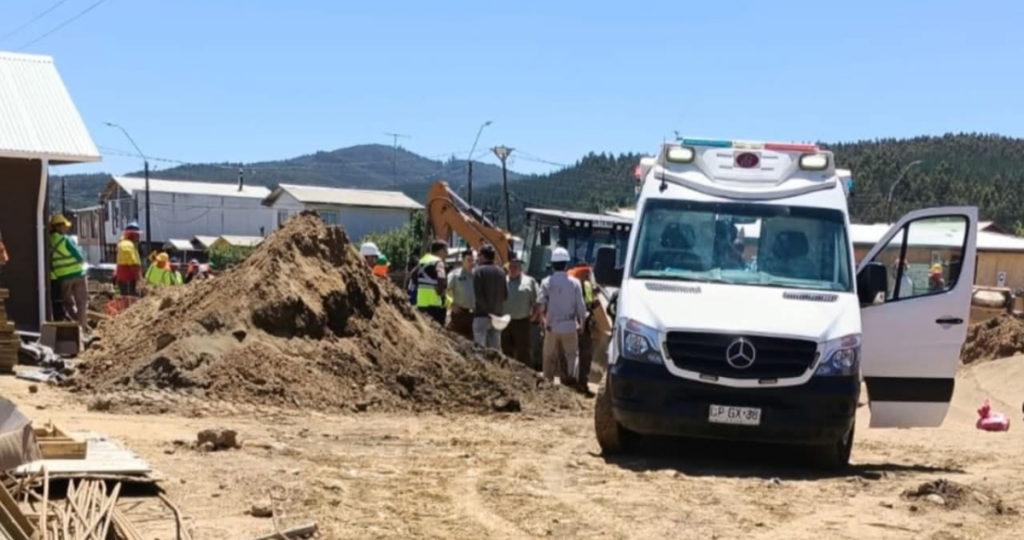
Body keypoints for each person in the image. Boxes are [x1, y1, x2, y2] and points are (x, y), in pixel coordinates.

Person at [538, 247, 587, 385]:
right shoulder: (575, 283)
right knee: (572, 355)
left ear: (552, 264)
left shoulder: (546, 282)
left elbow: (541, 305)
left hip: (552, 325)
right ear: (566, 264)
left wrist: (543, 321)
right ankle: (571, 381)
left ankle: (548, 382)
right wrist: (582, 323)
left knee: (548, 356)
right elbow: (581, 307)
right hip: (570, 326)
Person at [48, 214, 89, 335]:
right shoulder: (66, 239)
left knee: (68, 303)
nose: (66, 228)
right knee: (81, 302)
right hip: (77, 274)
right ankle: (81, 328)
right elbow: (79, 256)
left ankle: (76, 323)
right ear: (58, 227)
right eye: (64, 226)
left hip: (62, 278)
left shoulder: (49, 241)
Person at [568, 262, 598, 395]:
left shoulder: (586, 286)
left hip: (585, 326)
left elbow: (589, 304)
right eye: (585, 274)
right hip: (571, 324)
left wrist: (594, 304)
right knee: (570, 355)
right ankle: (570, 384)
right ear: (579, 273)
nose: (587, 276)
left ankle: (582, 384)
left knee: (585, 355)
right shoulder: (570, 285)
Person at [503, 256, 539, 368]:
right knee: (506, 350)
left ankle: (524, 376)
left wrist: (534, 315)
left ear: (520, 268)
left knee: (523, 352)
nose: (513, 269)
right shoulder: (503, 280)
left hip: (522, 323)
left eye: (515, 267)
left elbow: (537, 301)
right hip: (505, 322)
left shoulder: (529, 281)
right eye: (511, 267)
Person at [472, 244, 507, 349]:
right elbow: (505, 295)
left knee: (480, 350)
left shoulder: (478, 271)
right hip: (497, 317)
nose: (478, 258)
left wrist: (487, 312)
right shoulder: (501, 272)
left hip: (482, 316)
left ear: (482, 256)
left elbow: (479, 295)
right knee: (495, 351)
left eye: (479, 255)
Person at [414, 240, 449, 326]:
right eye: (445, 251)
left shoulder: (423, 260)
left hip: (421, 303)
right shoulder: (438, 261)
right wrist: (440, 291)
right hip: (435, 305)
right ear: (440, 251)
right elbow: (441, 277)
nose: (447, 254)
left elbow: (413, 275)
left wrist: (420, 287)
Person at [446, 250, 476, 340]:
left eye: (473, 260)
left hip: (474, 315)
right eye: (469, 260)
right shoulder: (455, 275)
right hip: (459, 314)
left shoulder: (477, 275)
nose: (472, 263)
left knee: (472, 344)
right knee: (458, 341)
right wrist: (451, 304)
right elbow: (444, 291)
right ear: (462, 260)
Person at [115, 222, 143, 297]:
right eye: (137, 234)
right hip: (128, 281)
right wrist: (139, 280)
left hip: (126, 280)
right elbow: (133, 265)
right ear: (132, 234)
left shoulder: (126, 244)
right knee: (130, 302)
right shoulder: (127, 245)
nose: (139, 236)